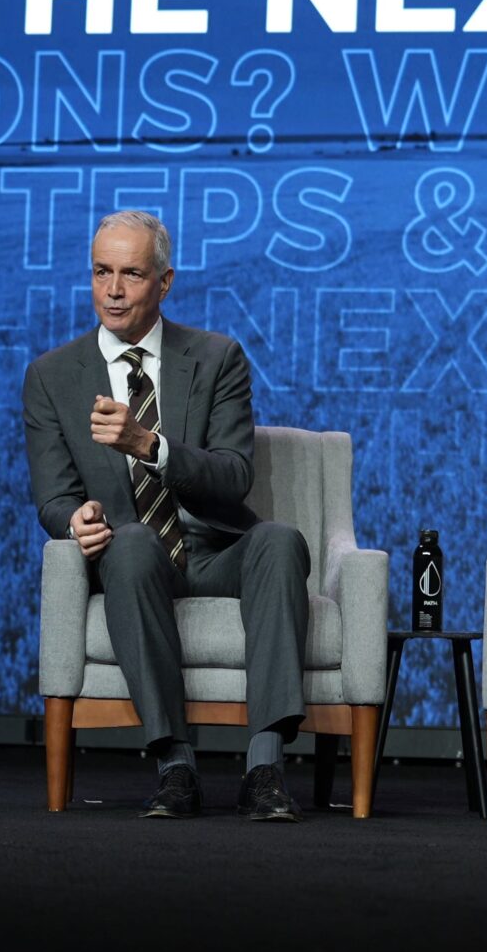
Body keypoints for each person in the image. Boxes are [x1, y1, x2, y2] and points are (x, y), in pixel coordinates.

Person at [23, 210, 312, 823]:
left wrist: (148, 445)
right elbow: (52, 497)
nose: (114, 290)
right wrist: (75, 521)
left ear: (165, 281)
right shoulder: (51, 377)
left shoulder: (216, 357)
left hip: (214, 550)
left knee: (281, 541)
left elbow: (235, 475)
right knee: (126, 546)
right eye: (102, 272)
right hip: (137, 560)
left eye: (131, 273)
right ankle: (175, 768)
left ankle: (264, 769)